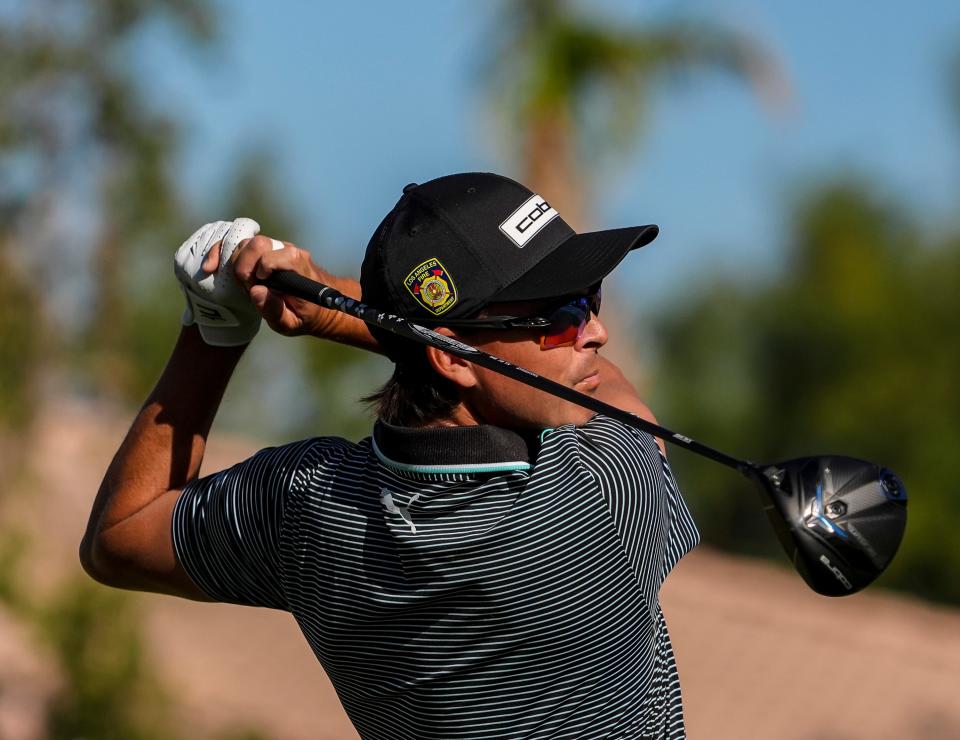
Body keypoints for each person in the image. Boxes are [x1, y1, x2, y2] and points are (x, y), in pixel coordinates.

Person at [80, 172, 700, 739]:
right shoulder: (600, 494)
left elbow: (120, 534)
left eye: (592, 296)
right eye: (561, 316)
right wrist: (335, 309)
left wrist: (213, 327)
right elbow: (613, 393)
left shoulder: (305, 503)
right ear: (454, 357)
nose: (596, 331)